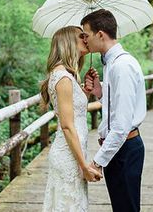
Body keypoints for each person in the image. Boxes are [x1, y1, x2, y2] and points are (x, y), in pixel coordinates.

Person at [82, 9, 146, 212]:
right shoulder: (111, 64)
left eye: (87, 35)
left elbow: (121, 125)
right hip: (119, 147)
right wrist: (100, 92)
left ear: (100, 34)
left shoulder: (122, 66)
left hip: (124, 148)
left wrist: (97, 161)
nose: (85, 40)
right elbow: (116, 107)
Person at [40, 26, 102, 212]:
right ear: (68, 43)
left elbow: (73, 109)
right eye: (81, 37)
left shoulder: (68, 76)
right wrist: (84, 166)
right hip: (68, 155)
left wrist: (86, 91)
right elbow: (67, 125)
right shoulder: (63, 78)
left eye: (86, 36)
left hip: (73, 153)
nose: (85, 39)